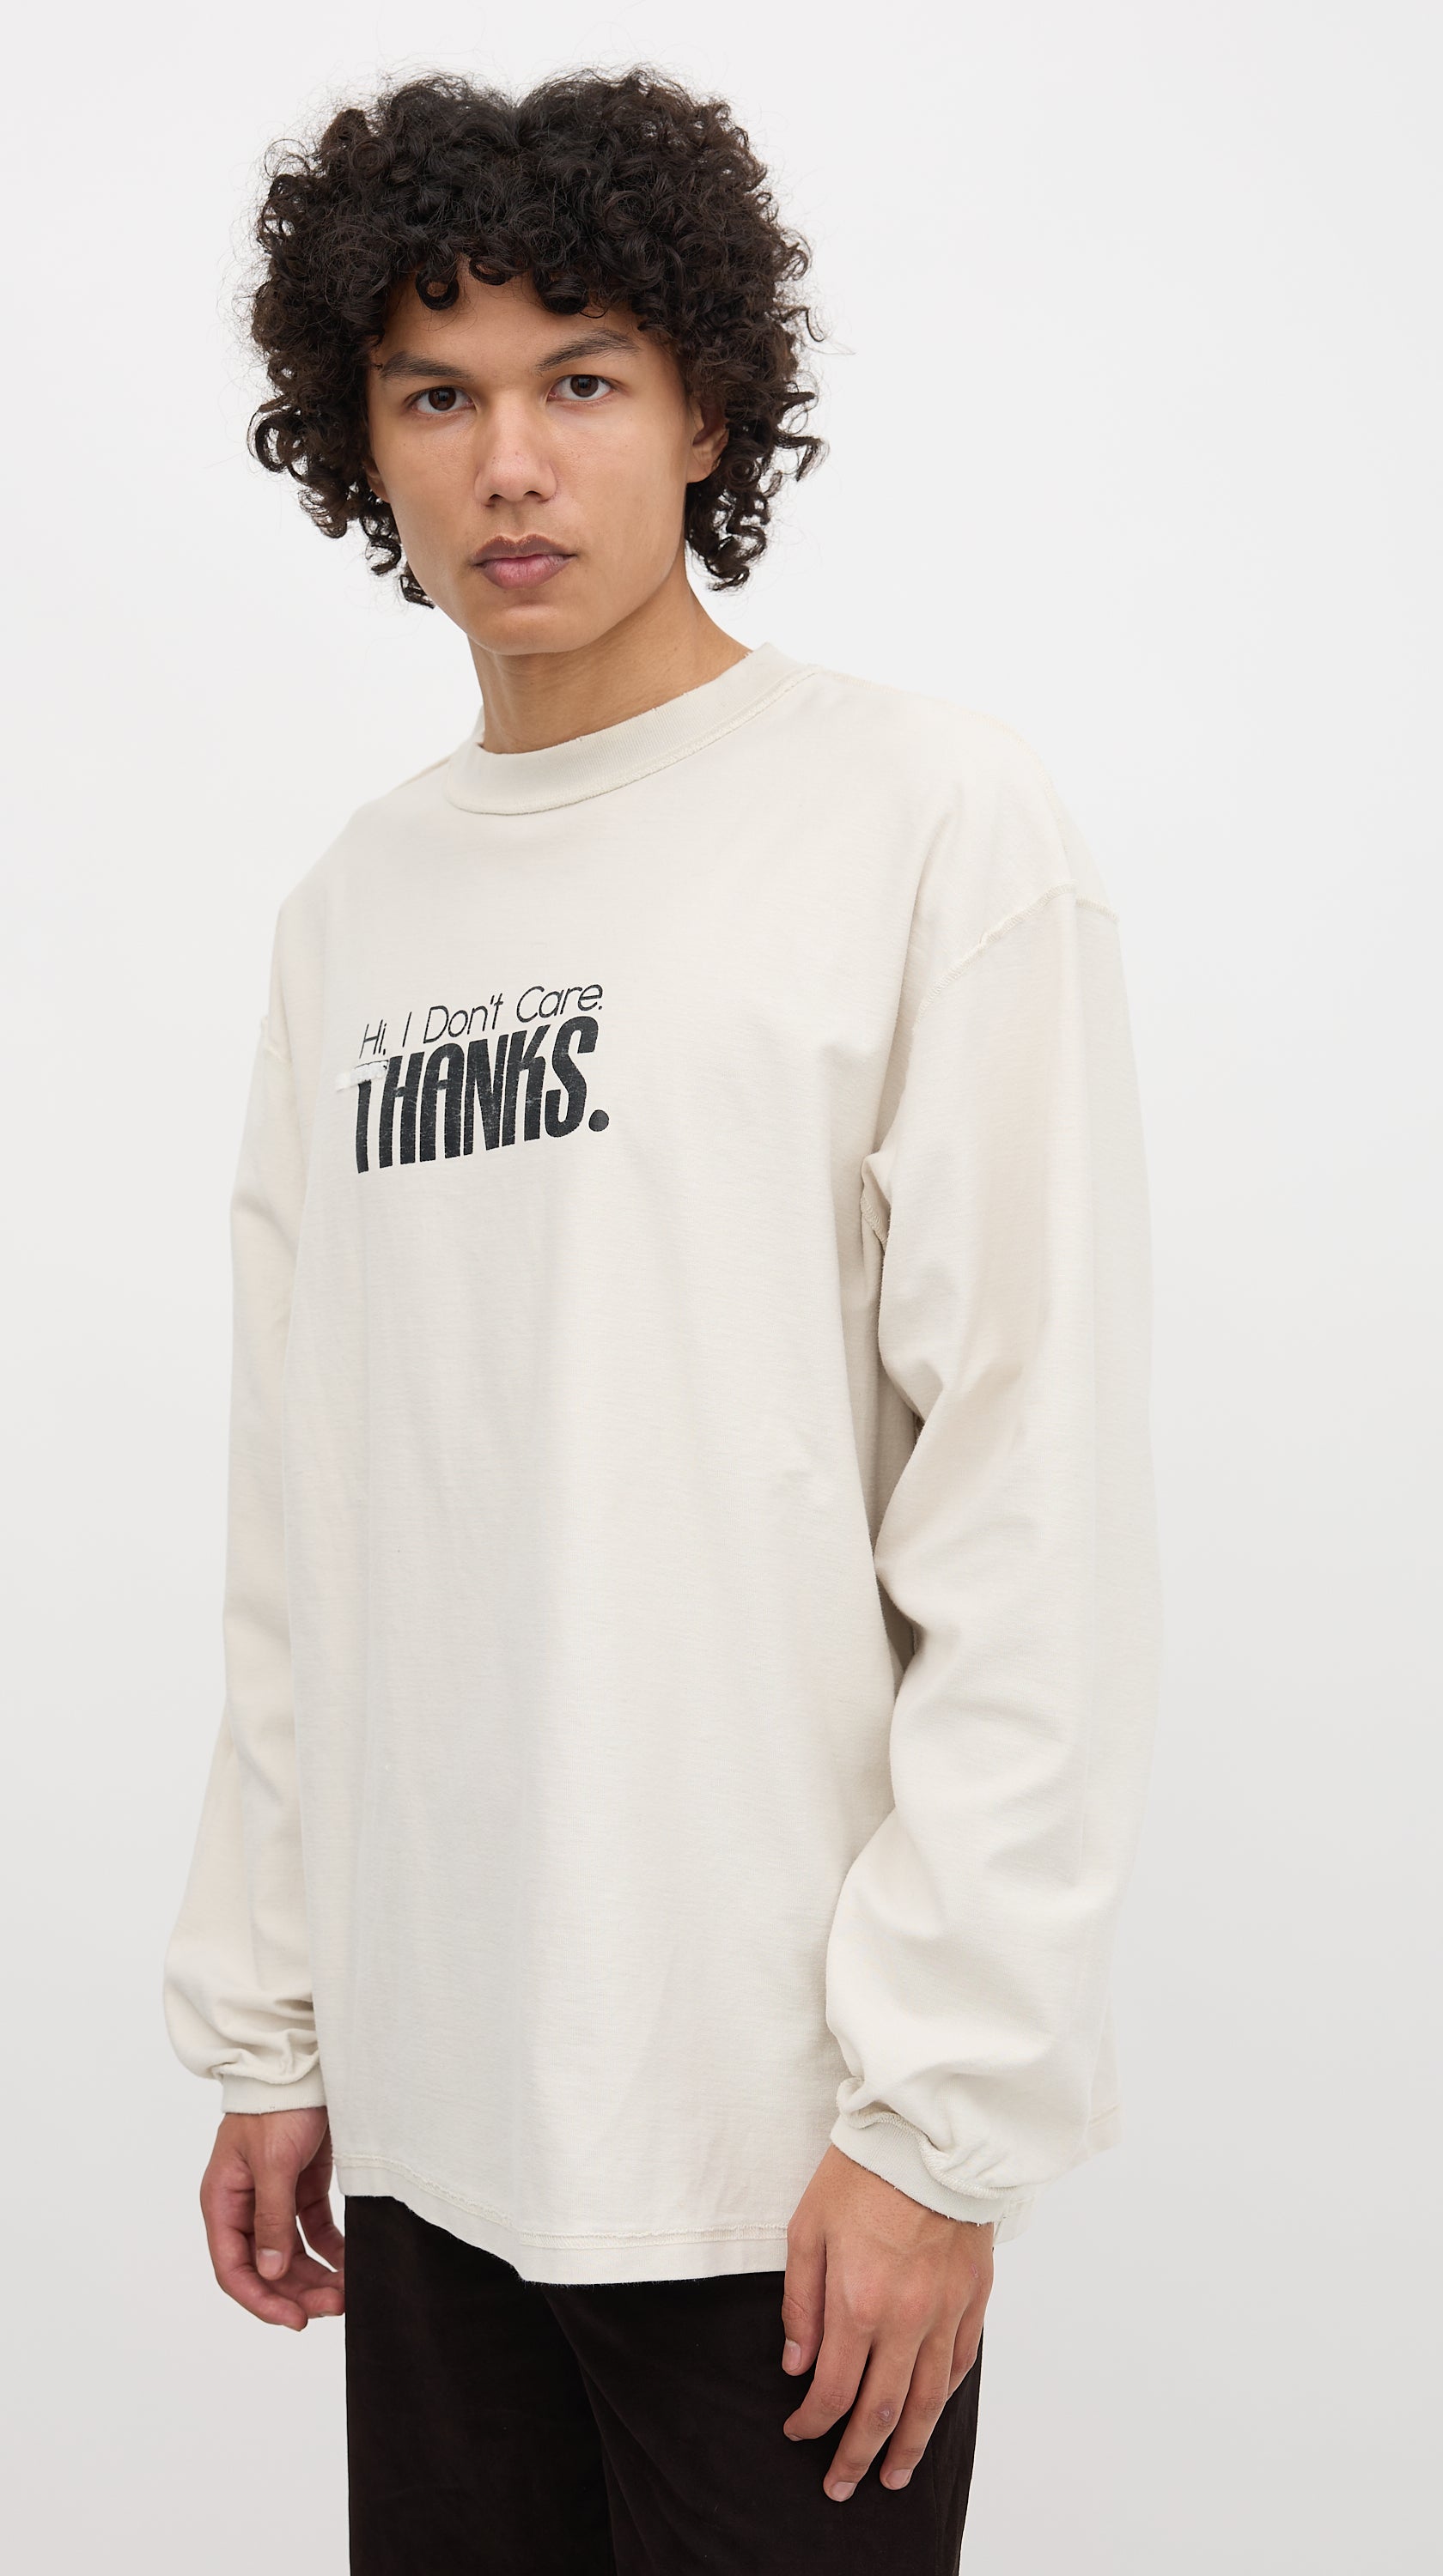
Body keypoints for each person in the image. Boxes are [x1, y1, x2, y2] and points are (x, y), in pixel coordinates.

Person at [161, 62, 1161, 2573]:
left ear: (709, 405)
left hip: (779, 2158)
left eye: (582, 379)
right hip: (433, 2131)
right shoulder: (357, 910)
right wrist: (278, 2018)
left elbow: (1027, 1505)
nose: (511, 464)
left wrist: (938, 2126)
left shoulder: (924, 822)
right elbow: (309, 1507)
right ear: (360, 446)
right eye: (437, 395)